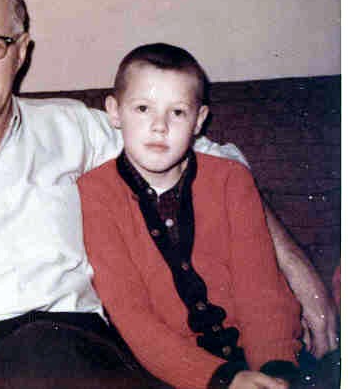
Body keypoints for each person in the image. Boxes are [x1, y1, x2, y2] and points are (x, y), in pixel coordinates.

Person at [0, 0, 336, 388]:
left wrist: (296, 268)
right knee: (37, 355)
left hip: (86, 345)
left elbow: (207, 162)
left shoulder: (69, 126)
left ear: (21, 51)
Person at [78, 43, 302, 389]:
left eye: (178, 112)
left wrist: (274, 370)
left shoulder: (231, 180)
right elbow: (131, 315)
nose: (159, 126)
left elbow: (262, 290)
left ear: (198, 120)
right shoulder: (95, 193)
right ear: (115, 112)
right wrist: (223, 380)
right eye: (143, 108)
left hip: (258, 361)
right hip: (169, 372)